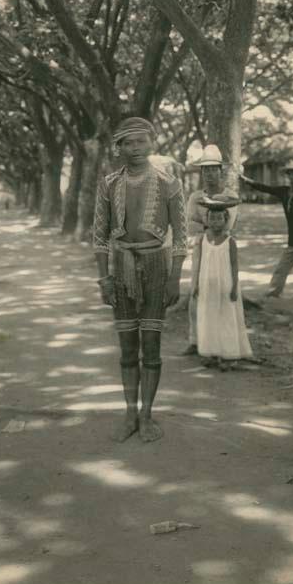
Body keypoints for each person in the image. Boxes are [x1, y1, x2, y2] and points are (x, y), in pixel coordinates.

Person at [93, 117, 187, 443]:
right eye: (128, 143)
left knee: (151, 344)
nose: (135, 149)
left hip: (156, 267)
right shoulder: (109, 184)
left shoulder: (169, 183)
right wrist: (104, 278)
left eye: (141, 142)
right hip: (121, 268)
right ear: (118, 147)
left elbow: (181, 238)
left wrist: (175, 278)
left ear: (152, 143)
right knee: (127, 347)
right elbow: (100, 237)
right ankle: (129, 413)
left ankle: (147, 414)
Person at [183, 144, 239, 356]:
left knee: (221, 291)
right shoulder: (196, 197)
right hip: (201, 246)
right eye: (205, 169)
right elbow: (190, 224)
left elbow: (228, 224)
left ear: (220, 171)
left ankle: (218, 341)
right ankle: (195, 339)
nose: (209, 174)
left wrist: (205, 223)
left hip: (222, 248)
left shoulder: (230, 195)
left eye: (213, 169)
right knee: (196, 290)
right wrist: (208, 225)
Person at [240, 160, 293, 307]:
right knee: (281, 269)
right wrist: (246, 181)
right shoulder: (283, 191)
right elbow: (266, 188)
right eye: (292, 174)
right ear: (288, 176)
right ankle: (272, 295)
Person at [192, 199, 253, 370]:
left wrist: (234, 287)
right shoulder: (203, 240)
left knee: (226, 318)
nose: (215, 222)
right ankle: (212, 352)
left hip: (225, 285)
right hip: (207, 286)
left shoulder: (229, 241)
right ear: (207, 220)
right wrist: (196, 284)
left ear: (226, 220)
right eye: (212, 218)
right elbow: (200, 263)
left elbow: (234, 265)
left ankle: (229, 354)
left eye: (219, 218)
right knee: (209, 317)